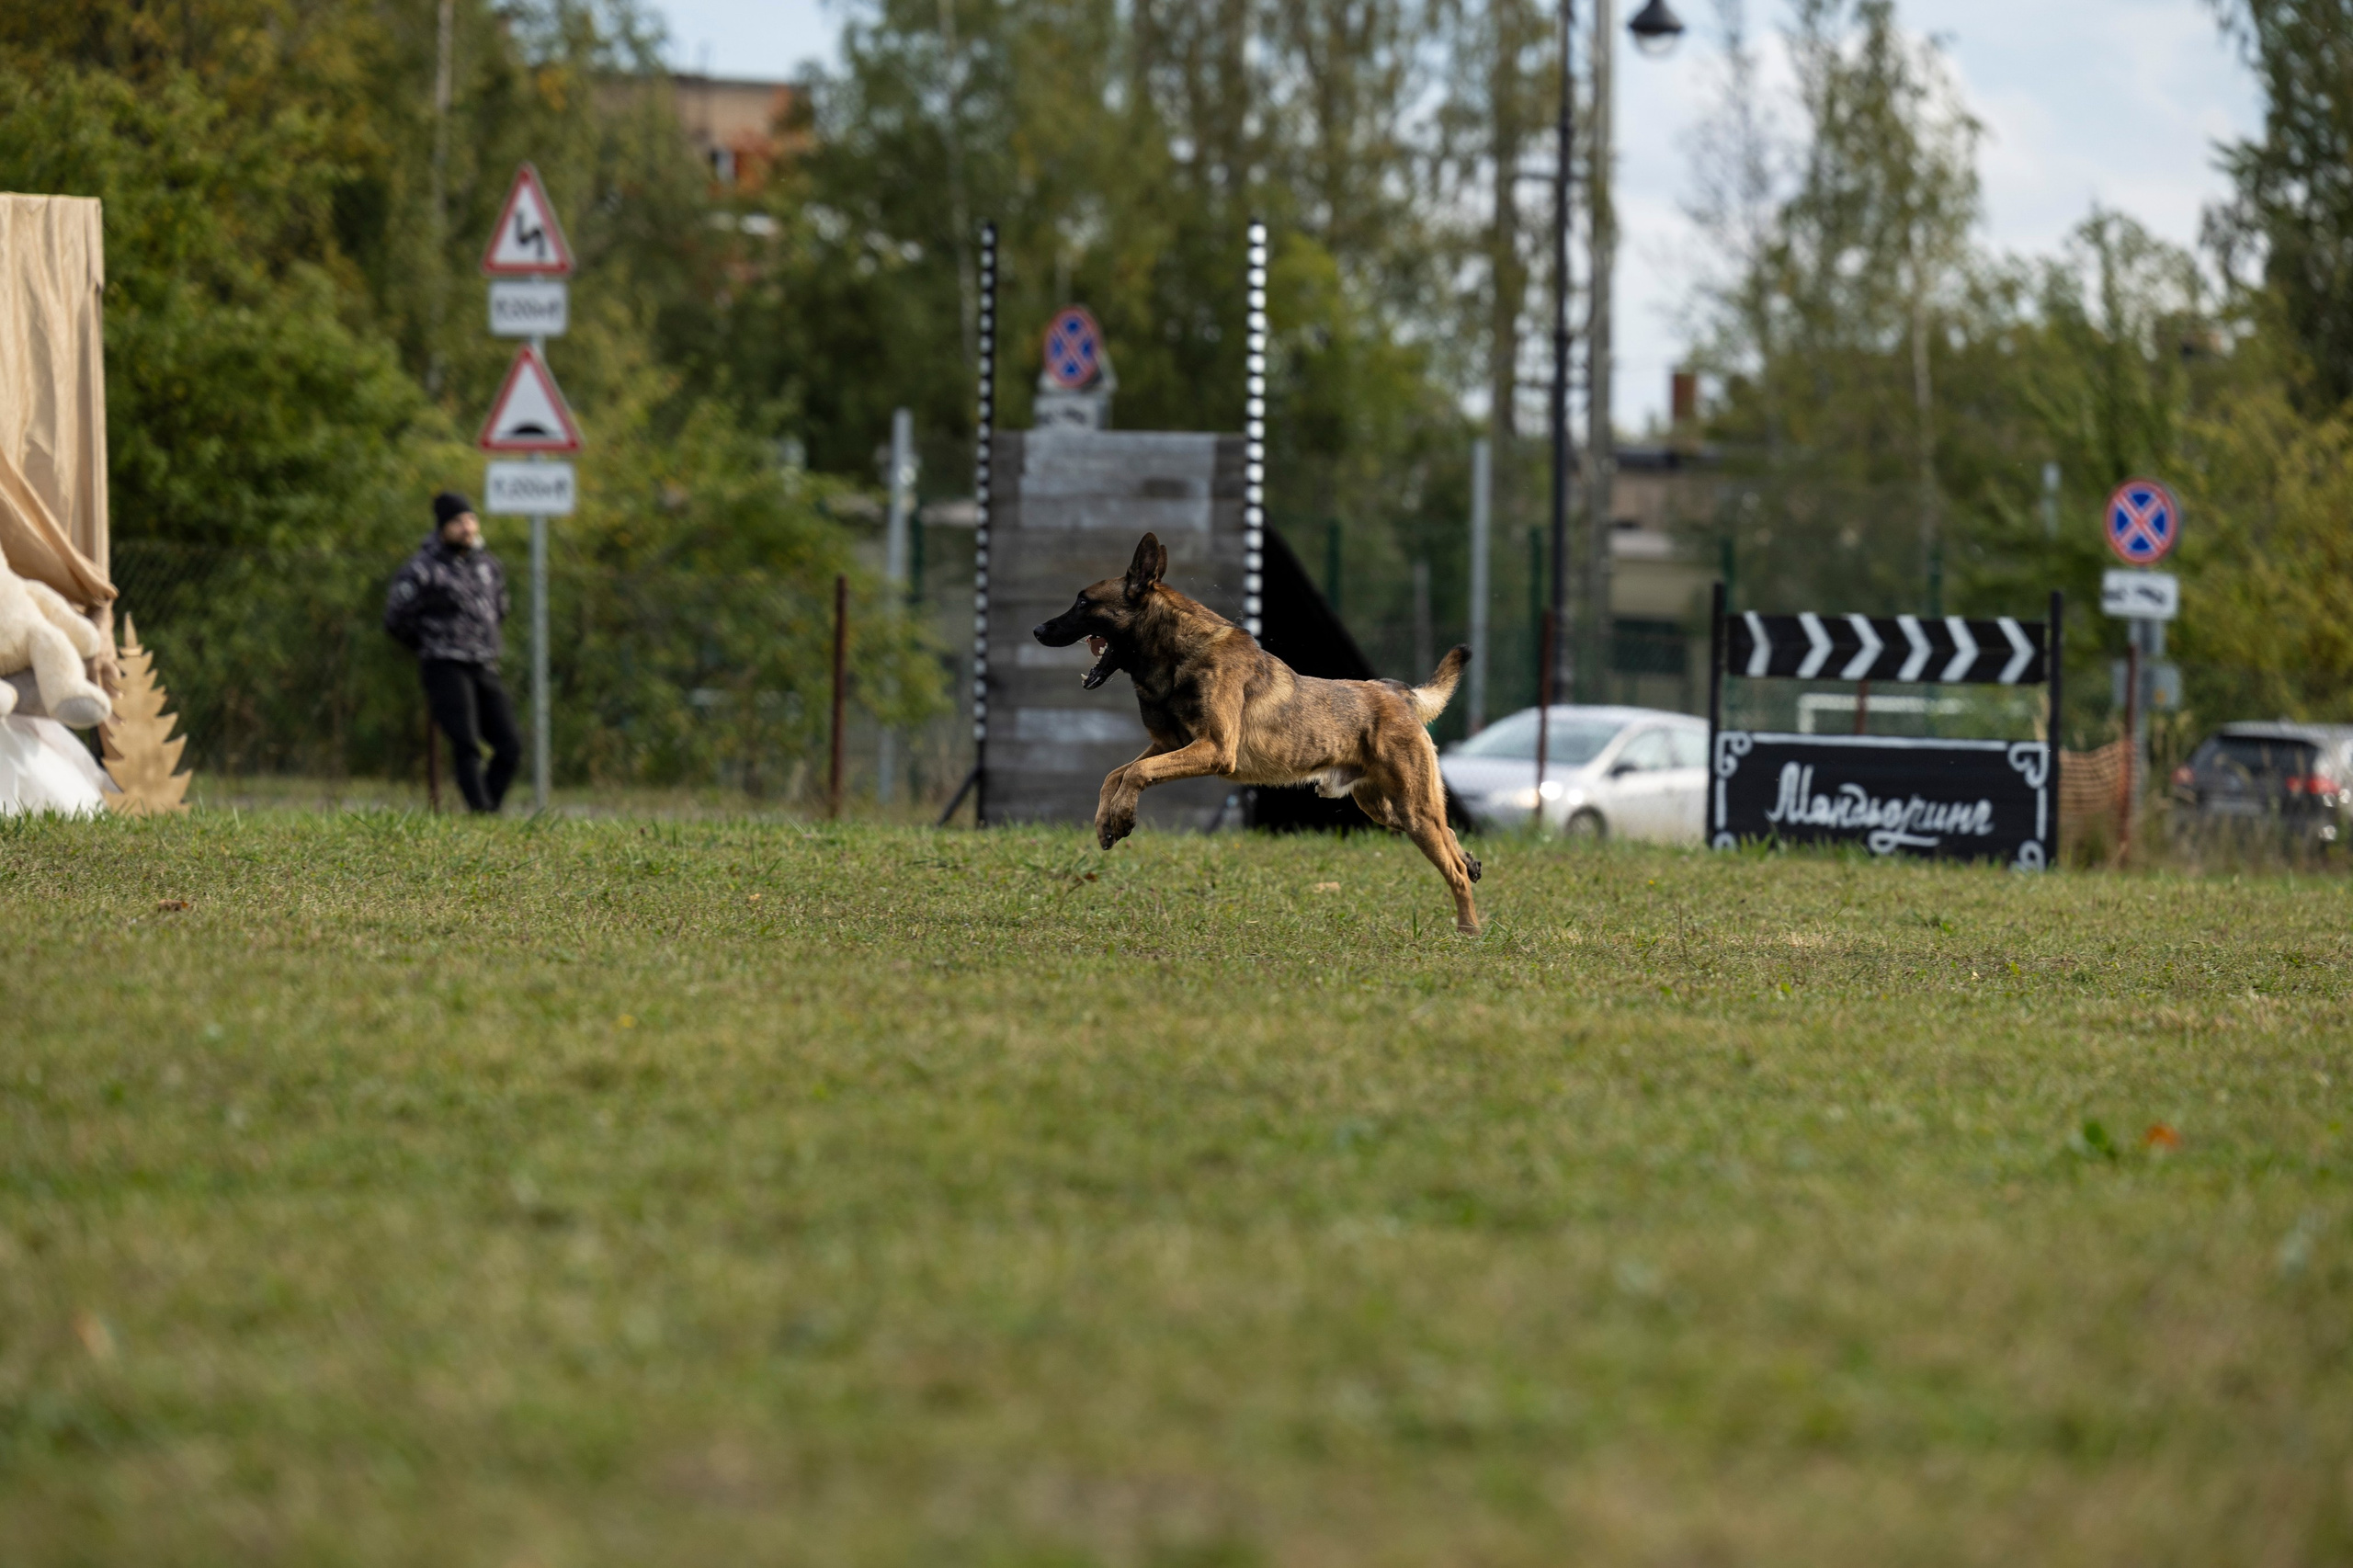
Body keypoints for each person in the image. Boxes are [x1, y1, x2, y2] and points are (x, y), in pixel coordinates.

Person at [384, 492, 522, 812]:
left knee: (510, 745)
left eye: (471, 519)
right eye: (458, 522)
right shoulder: (422, 568)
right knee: (466, 744)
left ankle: (487, 812)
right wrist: (431, 645)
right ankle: (481, 812)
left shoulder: (488, 566)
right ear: (442, 527)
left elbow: (500, 608)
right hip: (444, 664)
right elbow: (396, 619)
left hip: (484, 662)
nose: (467, 527)